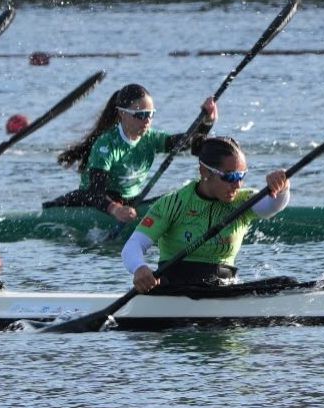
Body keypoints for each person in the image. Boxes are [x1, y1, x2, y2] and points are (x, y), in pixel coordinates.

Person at [124, 136, 290, 292]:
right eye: (230, 176)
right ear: (204, 172)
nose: (237, 185)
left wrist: (282, 186)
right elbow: (133, 245)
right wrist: (139, 267)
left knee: (288, 282)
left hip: (223, 289)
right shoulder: (173, 203)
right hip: (175, 290)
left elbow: (272, 206)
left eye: (241, 176)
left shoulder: (243, 200)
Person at [44, 83, 218, 223]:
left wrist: (206, 122)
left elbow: (190, 144)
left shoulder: (150, 138)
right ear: (122, 114)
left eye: (150, 114)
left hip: (131, 201)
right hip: (96, 200)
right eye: (140, 115)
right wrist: (116, 209)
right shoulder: (106, 145)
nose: (147, 121)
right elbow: (94, 193)